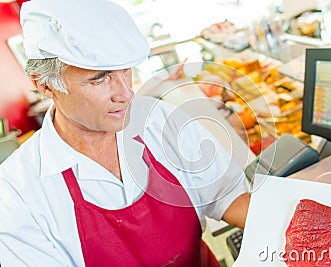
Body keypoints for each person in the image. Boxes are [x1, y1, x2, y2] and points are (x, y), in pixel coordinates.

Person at [0, 0, 250, 266]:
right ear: (46, 85)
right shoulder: (18, 196)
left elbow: (229, 197)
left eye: (125, 70)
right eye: (100, 78)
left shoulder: (158, 119)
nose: (126, 94)